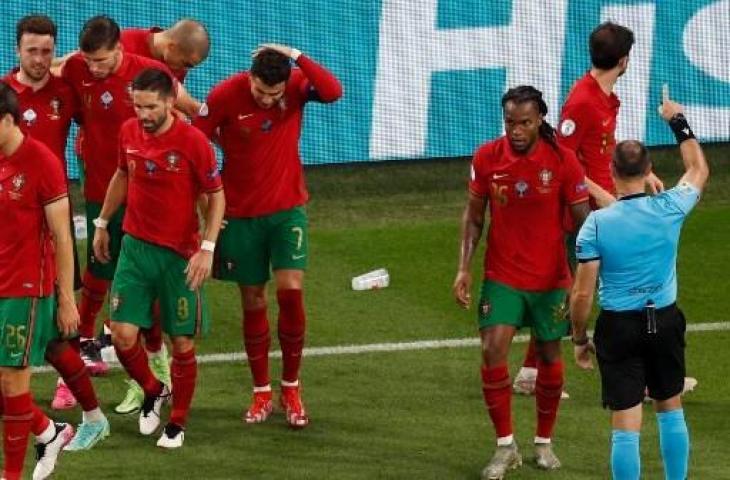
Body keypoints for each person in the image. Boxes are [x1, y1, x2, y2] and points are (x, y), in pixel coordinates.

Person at [193, 43, 342, 428]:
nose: (267, 99)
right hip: (239, 216)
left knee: (291, 292)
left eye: (274, 94)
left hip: (287, 209)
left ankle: (291, 387)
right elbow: (195, 144)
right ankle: (261, 392)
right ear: (250, 77)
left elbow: (333, 91)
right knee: (253, 299)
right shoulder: (225, 94)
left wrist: (294, 54)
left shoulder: (295, 87)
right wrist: (207, 210)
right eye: (261, 91)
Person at [452, 86, 590, 479]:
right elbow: (474, 216)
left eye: (524, 123)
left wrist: (585, 274)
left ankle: (544, 443)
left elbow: (583, 222)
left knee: (549, 356)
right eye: (510, 122)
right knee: (493, 349)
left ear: (540, 120)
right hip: (503, 276)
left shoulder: (563, 161)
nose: (515, 130)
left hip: (549, 279)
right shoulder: (486, 157)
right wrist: (464, 267)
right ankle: (505, 446)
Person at [570, 88, 706, 480]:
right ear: (649, 173)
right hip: (663, 320)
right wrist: (676, 120)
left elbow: (581, 294)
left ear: (611, 172)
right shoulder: (670, 208)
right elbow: (698, 170)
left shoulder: (596, 225)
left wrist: (579, 338)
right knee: (670, 409)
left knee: (626, 428)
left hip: (619, 327)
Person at [93, 67, 224, 448]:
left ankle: (178, 422)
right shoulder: (128, 131)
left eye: (150, 107)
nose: (143, 115)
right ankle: (154, 389)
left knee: (181, 343)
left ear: (169, 102)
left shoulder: (194, 142)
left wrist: (207, 248)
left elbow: (216, 196)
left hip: (178, 256)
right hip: (135, 248)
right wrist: (102, 221)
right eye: (137, 106)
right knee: (121, 335)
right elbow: (122, 174)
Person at [5, 16, 111, 451]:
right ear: (16, 50)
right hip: (8, 222)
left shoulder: (65, 91)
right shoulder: (2, 96)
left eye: (47, 51)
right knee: (48, 336)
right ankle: (83, 415)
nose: (39, 59)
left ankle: (73, 412)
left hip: (50, 219)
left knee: (56, 332)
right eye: (31, 50)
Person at [60, 15, 178, 392]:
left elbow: (182, 109)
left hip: (148, 195)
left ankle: (154, 353)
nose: (95, 68)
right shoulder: (76, 67)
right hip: (100, 187)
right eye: (89, 61)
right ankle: (84, 341)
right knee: (99, 267)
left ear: (120, 49)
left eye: (103, 61)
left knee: (148, 275)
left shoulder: (149, 73)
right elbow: (46, 73)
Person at [112, 18, 210, 415]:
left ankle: (172, 408)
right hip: (131, 219)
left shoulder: (187, 136)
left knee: (172, 331)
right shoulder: (124, 45)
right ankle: (153, 384)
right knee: (122, 324)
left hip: (175, 245)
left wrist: (207, 240)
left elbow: (209, 191)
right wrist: (102, 222)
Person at [0, 80, 77, 480]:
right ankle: (49, 431)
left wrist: (66, 299)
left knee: (13, 382)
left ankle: (11, 474)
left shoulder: (41, 162)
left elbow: (63, 236)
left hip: (25, 288)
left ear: (8, 120)